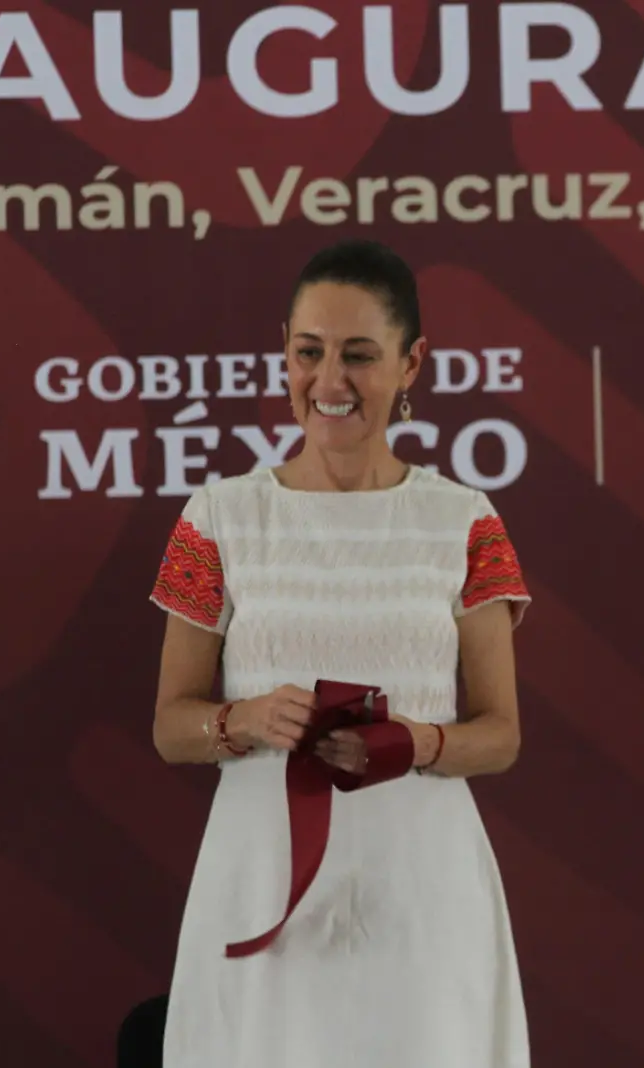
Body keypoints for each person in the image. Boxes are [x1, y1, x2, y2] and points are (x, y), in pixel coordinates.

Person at [149, 238, 534, 1067]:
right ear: (283, 351)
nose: (329, 382)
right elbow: (170, 726)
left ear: (411, 364)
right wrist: (242, 719)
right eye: (308, 352)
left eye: (359, 356)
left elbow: (500, 733)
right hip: (261, 887)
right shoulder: (219, 516)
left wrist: (417, 742)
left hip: (424, 891)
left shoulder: (463, 518)